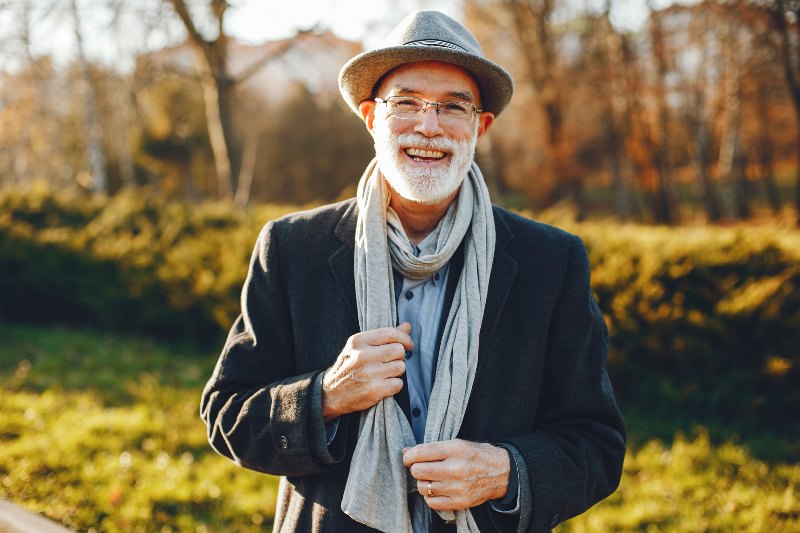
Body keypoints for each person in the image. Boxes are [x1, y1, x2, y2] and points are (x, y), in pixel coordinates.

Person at [201, 10, 625, 533]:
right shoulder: (292, 248)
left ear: (480, 126)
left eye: (453, 107)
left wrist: (507, 472)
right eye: (406, 103)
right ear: (370, 117)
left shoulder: (551, 262)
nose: (429, 126)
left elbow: (596, 443)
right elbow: (227, 416)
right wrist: (326, 396)